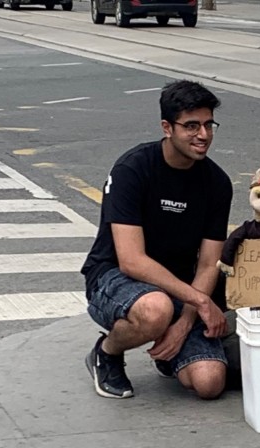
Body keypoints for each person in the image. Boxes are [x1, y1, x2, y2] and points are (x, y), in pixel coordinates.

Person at [81, 80, 233, 401]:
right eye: (191, 126)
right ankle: (107, 352)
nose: (203, 135)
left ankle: (169, 349)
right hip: (114, 279)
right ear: (167, 127)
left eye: (208, 125)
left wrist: (186, 320)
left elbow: (208, 264)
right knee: (155, 309)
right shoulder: (133, 169)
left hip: (180, 289)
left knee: (209, 382)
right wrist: (202, 301)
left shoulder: (217, 183)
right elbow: (131, 260)